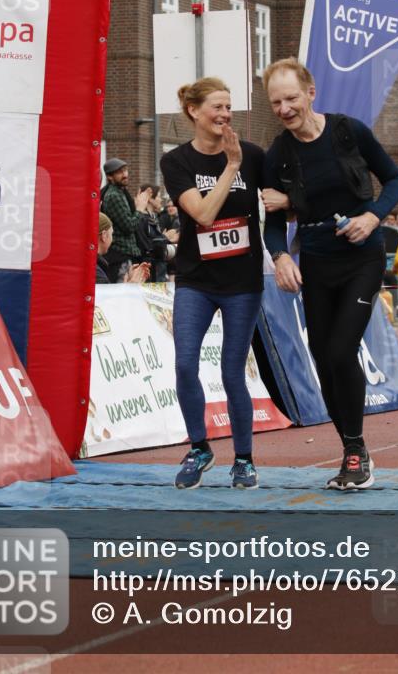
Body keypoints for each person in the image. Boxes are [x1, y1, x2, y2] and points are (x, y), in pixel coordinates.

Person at [261, 58, 398, 491]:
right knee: (324, 356)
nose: (285, 108)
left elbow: (395, 179)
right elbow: (272, 221)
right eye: (275, 102)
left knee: (342, 350)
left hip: (361, 256)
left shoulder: (348, 131)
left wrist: (374, 217)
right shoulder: (278, 155)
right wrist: (280, 256)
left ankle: (357, 450)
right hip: (316, 263)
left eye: (291, 98)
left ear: (310, 92)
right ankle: (351, 451)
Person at [160, 77, 265, 490]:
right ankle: (200, 448)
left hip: (242, 282)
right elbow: (202, 214)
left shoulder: (254, 156)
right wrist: (231, 167)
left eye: (228, 107)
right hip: (196, 280)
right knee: (185, 363)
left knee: (232, 371)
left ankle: (243, 459)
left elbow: (283, 193)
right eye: (217, 108)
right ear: (194, 112)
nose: (225, 115)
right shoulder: (177, 162)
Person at [100, 158, 152, 283]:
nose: (125, 175)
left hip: (125, 254)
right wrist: (140, 209)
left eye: (125, 170)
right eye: (119, 172)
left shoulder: (121, 193)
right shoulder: (114, 196)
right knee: (123, 294)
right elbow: (129, 226)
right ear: (110, 177)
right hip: (120, 255)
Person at [136, 184, 176, 282]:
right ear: (150, 198)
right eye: (158, 196)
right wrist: (165, 238)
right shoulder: (142, 219)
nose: (160, 199)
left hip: (159, 269)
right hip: (152, 270)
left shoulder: (154, 217)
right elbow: (147, 244)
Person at [97, 212, 150, 284]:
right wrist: (131, 286)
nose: (113, 240)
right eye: (111, 234)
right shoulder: (96, 271)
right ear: (104, 236)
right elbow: (104, 295)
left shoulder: (95, 265)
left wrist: (128, 283)